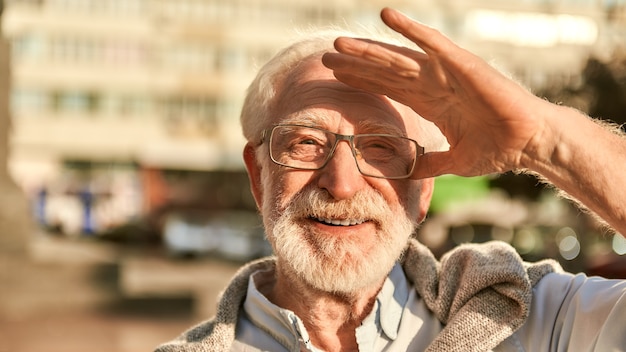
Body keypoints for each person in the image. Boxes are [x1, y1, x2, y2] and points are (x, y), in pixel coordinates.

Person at [156, 7, 626, 352]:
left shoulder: (536, 318)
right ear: (259, 176)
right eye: (305, 143)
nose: (340, 185)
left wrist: (544, 140)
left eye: (381, 148)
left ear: (423, 189)